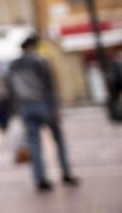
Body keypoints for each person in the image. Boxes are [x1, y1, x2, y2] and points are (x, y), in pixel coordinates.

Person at [6, 35, 79, 192]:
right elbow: (49, 86)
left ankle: (40, 179)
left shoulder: (13, 65)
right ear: (33, 47)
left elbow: (11, 90)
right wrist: (54, 108)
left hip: (25, 108)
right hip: (43, 105)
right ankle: (66, 173)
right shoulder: (40, 61)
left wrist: (16, 110)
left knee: (34, 144)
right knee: (58, 140)